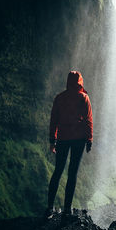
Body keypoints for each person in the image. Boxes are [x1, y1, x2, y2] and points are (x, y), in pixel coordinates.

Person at [45, 70, 93, 219]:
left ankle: (49, 209)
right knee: (72, 173)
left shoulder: (59, 98)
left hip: (63, 139)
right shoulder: (84, 98)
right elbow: (88, 120)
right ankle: (67, 209)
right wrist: (89, 140)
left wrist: (52, 140)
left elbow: (54, 120)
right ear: (80, 81)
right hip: (78, 140)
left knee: (58, 171)